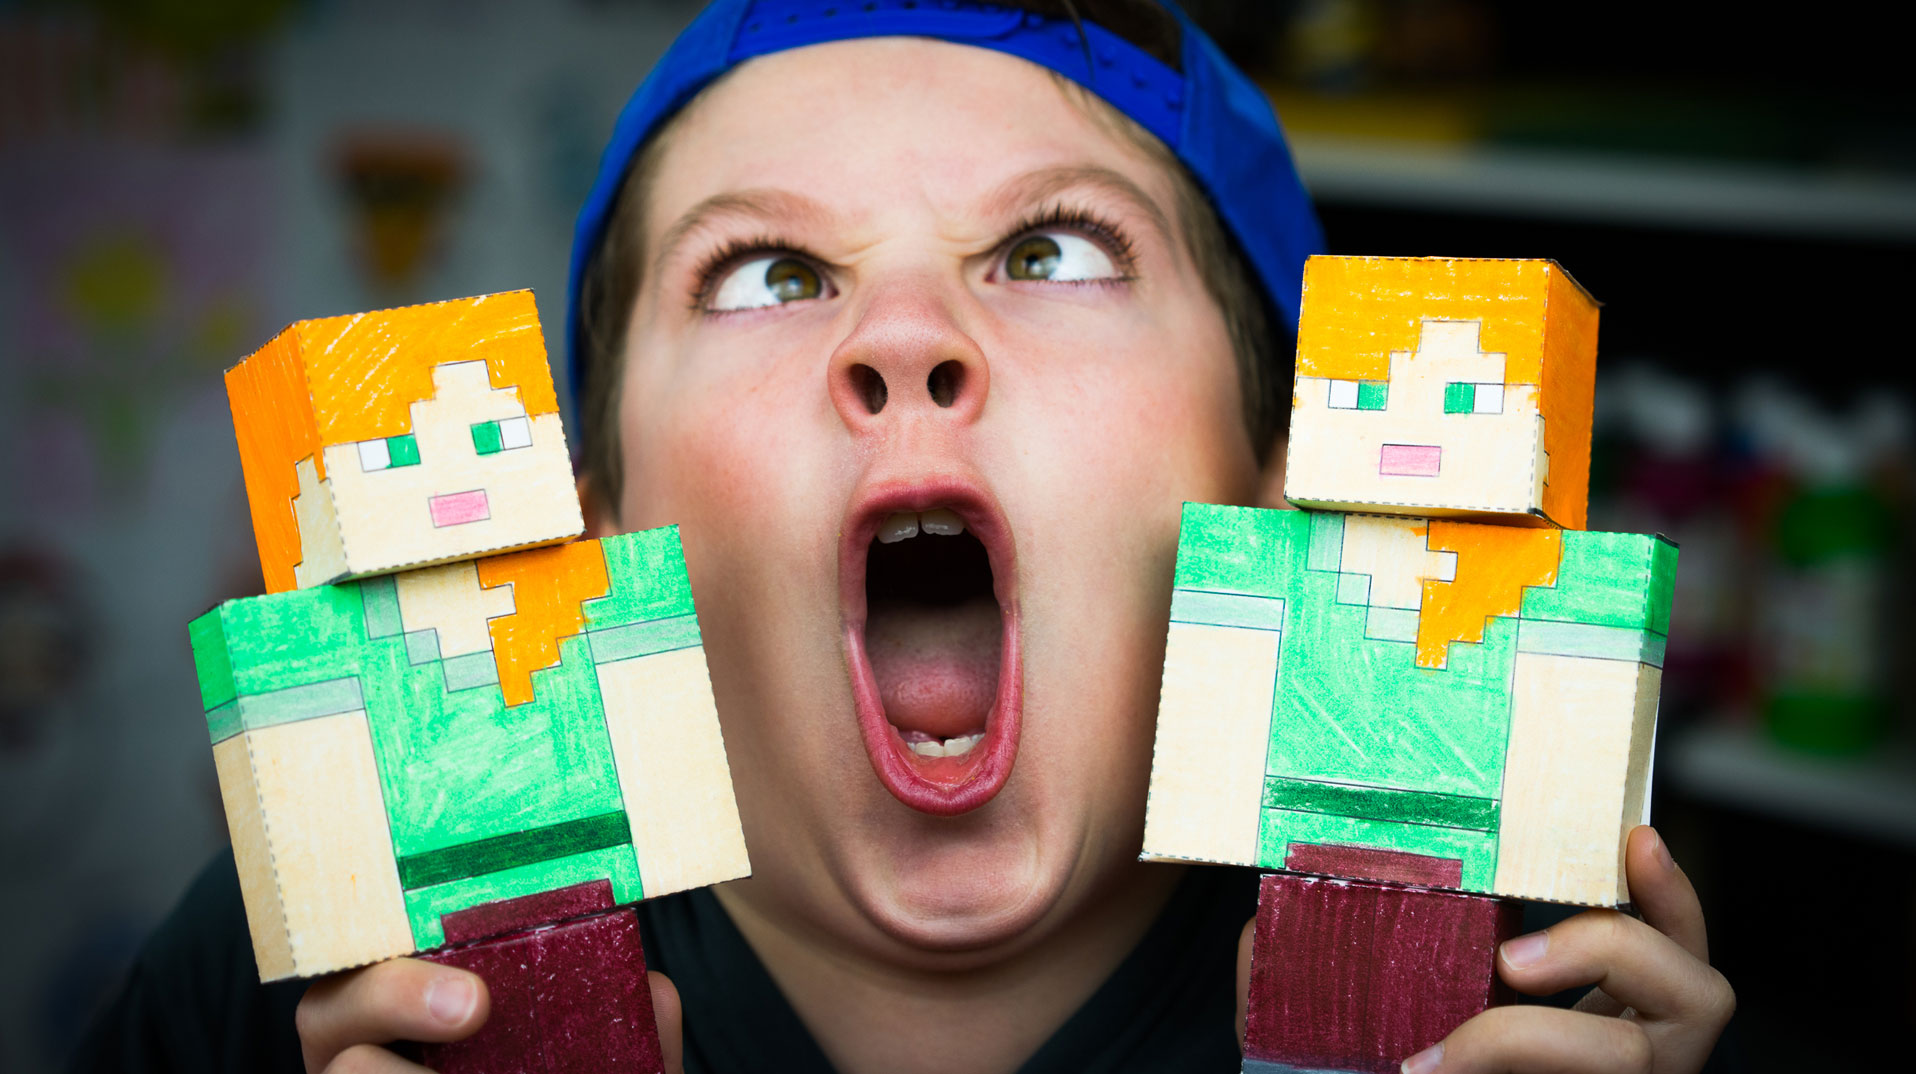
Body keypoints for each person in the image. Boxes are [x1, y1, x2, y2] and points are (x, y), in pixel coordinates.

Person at [71, 2, 1735, 1072]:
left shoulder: (1522, 988)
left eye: (1052, 250)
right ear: (598, 526)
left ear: (1288, 484)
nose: (905, 337)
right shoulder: (313, 990)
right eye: (771, 273)